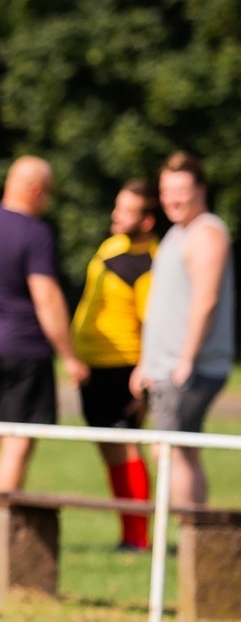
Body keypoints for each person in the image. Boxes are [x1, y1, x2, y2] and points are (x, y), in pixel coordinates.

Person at [0, 156, 89, 552]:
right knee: (16, 442)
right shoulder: (35, 232)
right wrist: (69, 355)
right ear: (36, 190)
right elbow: (46, 297)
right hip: (25, 350)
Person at [133, 151, 235, 508]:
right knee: (179, 451)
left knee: (173, 450)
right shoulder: (177, 234)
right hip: (166, 366)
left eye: (180, 190)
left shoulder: (206, 233)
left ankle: (190, 532)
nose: (172, 199)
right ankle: (194, 533)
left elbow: (205, 301)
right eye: (166, 191)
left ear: (200, 190)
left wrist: (185, 360)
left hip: (189, 368)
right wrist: (146, 362)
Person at [72, 180, 158, 549]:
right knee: (109, 449)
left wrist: (145, 369)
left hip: (125, 366)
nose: (115, 214)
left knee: (127, 447)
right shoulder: (110, 248)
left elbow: (154, 321)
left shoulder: (151, 264)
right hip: (92, 367)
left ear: (147, 220)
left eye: (126, 210)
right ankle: (128, 532)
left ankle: (137, 538)